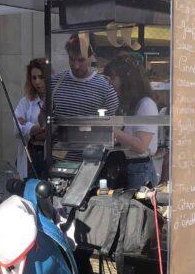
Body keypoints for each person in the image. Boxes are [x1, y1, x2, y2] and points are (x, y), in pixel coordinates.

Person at [104, 54, 159, 186]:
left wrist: (111, 130)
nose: (110, 83)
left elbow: (141, 146)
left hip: (140, 169)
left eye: (113, 78)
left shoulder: (146, 104)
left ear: (125, 79)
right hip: (128, 166)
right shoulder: (131, 105)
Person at [52, 33, 119, 117]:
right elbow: (44, 118)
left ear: (92, 56)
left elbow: (111, 126)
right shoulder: (55, 82)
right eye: (72, 59)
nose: (76, 66)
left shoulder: (105, 88)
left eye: (81, 60)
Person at [13, 58, 47, 180]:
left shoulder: (56, 99)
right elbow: (17, 129)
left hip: (50, 155)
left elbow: (54, 129)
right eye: (34, 77)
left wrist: (28, 125)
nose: (37, 81)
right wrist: (39, 128)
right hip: (30, 154)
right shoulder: (26, 102)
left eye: (41, 77)